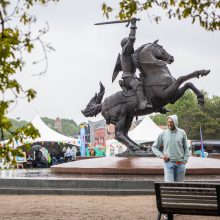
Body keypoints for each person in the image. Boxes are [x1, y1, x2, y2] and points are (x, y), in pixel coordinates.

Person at [112, 17, 152, 110]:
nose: (132, 45)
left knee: (147, 84)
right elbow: (132, 38)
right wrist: (133, 25)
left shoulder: (130, 54)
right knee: (138, 85)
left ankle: (157, 105)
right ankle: (142, 103)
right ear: (126, 45)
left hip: (132, 75)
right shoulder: (125, 52)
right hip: (127, 77)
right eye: (130, 44)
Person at [151, 115, 190, 183]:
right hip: (168, 163)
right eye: (168, 122)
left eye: (171, 122)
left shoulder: (182, 133)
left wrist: (185, 160)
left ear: (175, 122)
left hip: (180, 164)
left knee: (179, 186)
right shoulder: (163, 133)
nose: (169, 124)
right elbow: (154, 147)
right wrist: (162, 156)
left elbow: (186, 147)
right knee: (169, 185)